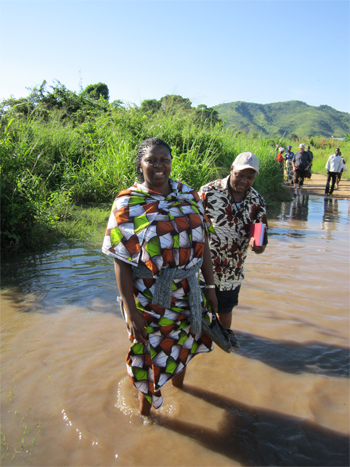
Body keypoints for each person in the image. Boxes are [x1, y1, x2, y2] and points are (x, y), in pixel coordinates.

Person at [102, 137, 218, 416]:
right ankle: (146, 417)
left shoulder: (189, 195)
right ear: (140, 164)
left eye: (163, 159)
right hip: (149, 297)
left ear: (170, 162)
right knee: (148, 353)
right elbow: (121, 261)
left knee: (184, 344)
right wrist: (130, 310)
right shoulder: (128, 203)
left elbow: (204, 246)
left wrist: (210, 288)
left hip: (188, 292)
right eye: (151, 160)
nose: (158, 165)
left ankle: (180, 391)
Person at [199, 152, 268, 329]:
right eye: (240, 175)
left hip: (232, 272)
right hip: (203, 268)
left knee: (225, 312)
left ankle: (224, 348)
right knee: (197, 311)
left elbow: (260, 238)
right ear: (231, 170)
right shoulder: (208, 192)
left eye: (250, 178)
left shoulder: (257, 202)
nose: (244, 181)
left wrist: (258, 245)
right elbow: (193, 229)